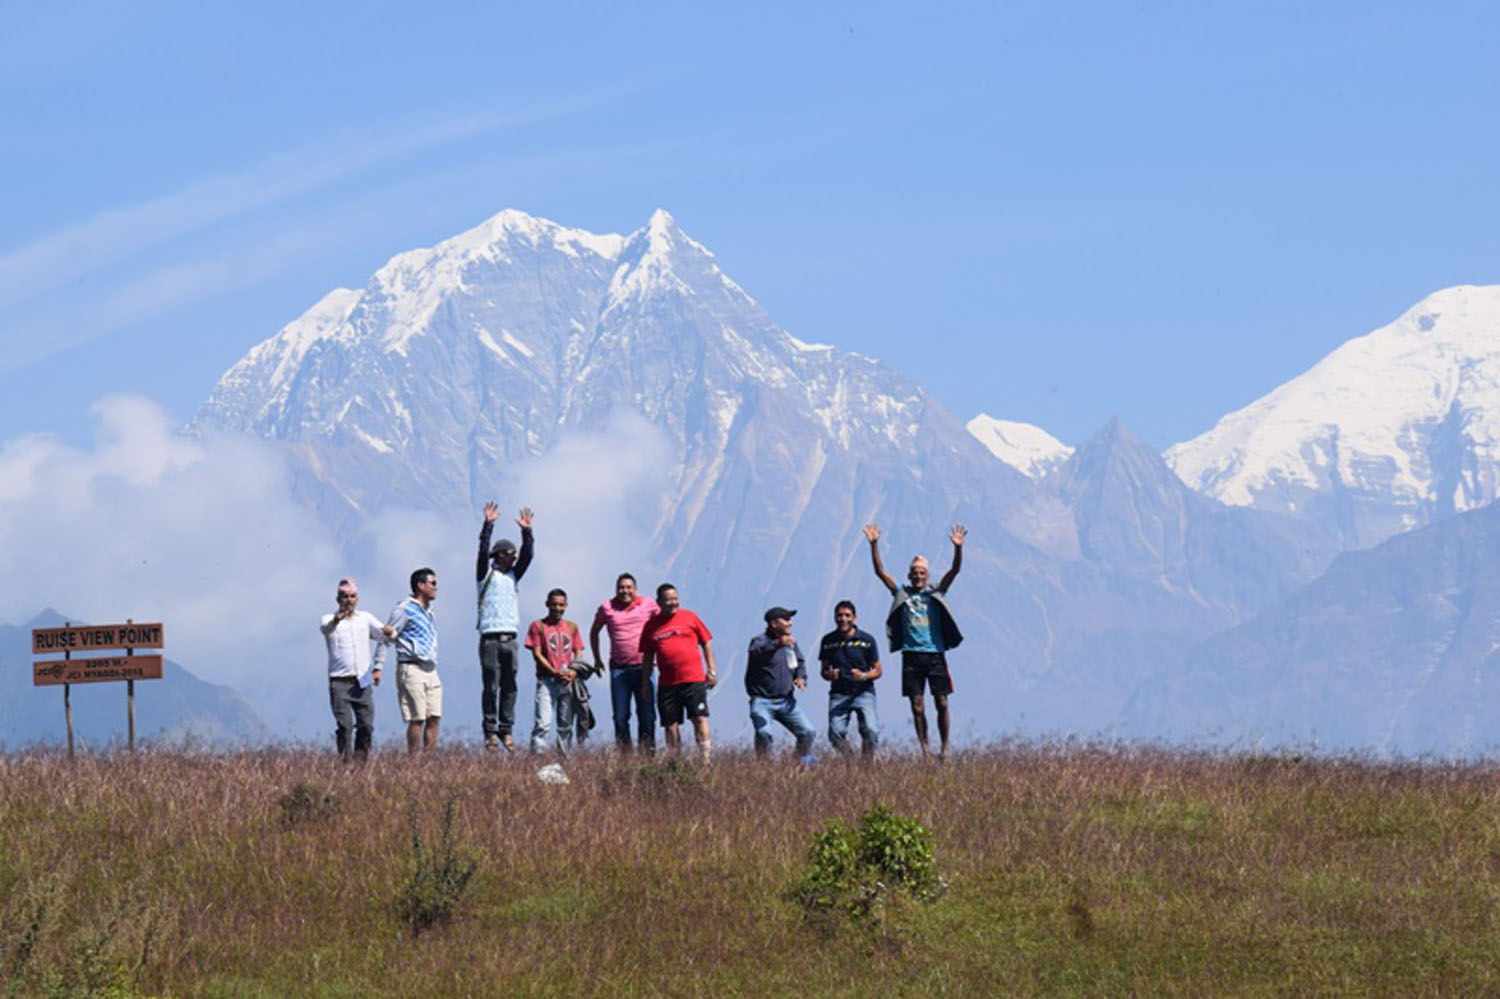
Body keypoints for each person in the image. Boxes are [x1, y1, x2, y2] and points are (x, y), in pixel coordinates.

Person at [863, 522, 966, 761]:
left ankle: (945, 748)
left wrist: (958, 549)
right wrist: (874, 545)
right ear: (910, 576)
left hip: (935, 653)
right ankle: (925, 750)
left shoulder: (936, 592)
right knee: (917, 706)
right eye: (915, 574)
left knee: (941, 702)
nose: (918, 577)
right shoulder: (902, 593)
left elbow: (954, 571)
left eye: (922, 573)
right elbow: (880, 572)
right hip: (911, 655)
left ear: (927, 576)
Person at [477, 502, 534, 752]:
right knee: (491, 685)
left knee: (510, 686)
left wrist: (527, 532)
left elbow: (529, 555)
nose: (514, 558)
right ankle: (490, 731)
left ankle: (506, 729)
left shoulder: (513, 576)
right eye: (511, 555)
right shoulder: (484, 575)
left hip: (510, 637)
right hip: (489, 637)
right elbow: (481, 552)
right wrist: (488, 526)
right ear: (500, 555)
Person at [318, 577, 394, 761]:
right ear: (338, 599)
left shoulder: (365, 618)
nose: (349, 600)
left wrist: (390, 632)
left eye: (352, 596)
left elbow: (384, 637)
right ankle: (346, 762)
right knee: (344, 725)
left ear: (357, 599)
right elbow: (326, 629)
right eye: (344, 596)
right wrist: (337, 619)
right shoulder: (329, 619)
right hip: (339, 682)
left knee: (366, 725)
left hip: (362, 681)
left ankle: (361, 763)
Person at [639, 583, 716, 763]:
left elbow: (706, 642)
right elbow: (648, 656)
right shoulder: (651, 626)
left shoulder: (690, 617)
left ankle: (705, 759)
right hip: (667, 684)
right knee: (670, 725)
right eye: (668, 600)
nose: (673, 603)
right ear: (659, 602)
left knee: (699, 718)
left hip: (693, 680)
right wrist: (645, 683)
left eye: (675, 599)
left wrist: (711, 670)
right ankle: (676, 761)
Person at [589, 572, 659, 754]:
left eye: (629, 587)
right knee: (620, 716)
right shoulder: (607, 607)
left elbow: (662, 622)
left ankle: (647, 755)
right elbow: (594, 631)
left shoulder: (648, 604)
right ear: (616, 589)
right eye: (621, 587)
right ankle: (625, 755)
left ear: (635, 589)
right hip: (619, 669)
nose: (625, 591)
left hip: (645, 668)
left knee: (646, 714)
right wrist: (597, 658)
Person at [380, 567, 443, 754]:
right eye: (433, 583)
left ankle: (429, 761)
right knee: (417, 718)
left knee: (434, 716)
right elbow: (387, 637)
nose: (436, 587)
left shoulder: (429, 612)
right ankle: (414, 760)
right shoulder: (404, 609)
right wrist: (378, 666)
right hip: (411, 667)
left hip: (431, 668)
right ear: (421, 585)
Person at [745, 606, 817, 759]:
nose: (790, 623)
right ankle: (763, 766)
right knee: (764, 733)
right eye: (786, 620)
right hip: (762, 701)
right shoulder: (759, 641)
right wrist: (777, 643)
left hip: (786, 701)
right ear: (774, 623)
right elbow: (757, 652)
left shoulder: (791, 643)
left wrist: (801, 677)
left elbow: (799, 662)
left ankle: (798, 762)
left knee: (808, 731)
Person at [526, 588, 587, 755]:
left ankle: (564, 757)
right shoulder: (538, 626)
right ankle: (538, 758)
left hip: (567, 681)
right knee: (543, 723)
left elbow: (579, 652)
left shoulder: (572, 627)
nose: (557, 608)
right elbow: (537, 653)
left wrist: (574, 671)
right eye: (554, 604)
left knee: (565, 724)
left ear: (566, 605)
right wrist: (553, 671)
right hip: (546, 680)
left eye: (561, 605)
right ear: (547, 604)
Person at [818, 600, 882, 758]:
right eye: (840, 615)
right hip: (839, 693)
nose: (843, 619)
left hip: (864, 692)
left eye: (847, 615)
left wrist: (864, 676)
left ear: (855, 618)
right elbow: (823, 671)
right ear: (835, 618)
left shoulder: (867, 641)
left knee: (871, 730)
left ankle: (866, 765)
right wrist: (829, 675)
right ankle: (850, 760)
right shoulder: (828, 641)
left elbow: (878, 670)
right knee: (835, 734)